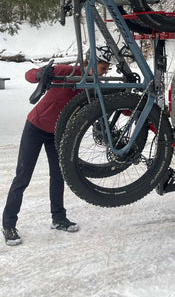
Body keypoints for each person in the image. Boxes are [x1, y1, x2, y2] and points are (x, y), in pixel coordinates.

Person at [2, 45, 112, 246]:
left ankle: (58, 218)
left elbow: (114, 104)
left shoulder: (94, 87)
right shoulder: (67, 72)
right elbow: (29, 74)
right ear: (93, 63)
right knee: (23, 177)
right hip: (35, 127)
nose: (105, 73)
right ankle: (8, 224)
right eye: (104, 68)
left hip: (58, 134)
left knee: (58, 175)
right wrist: (41, 74)